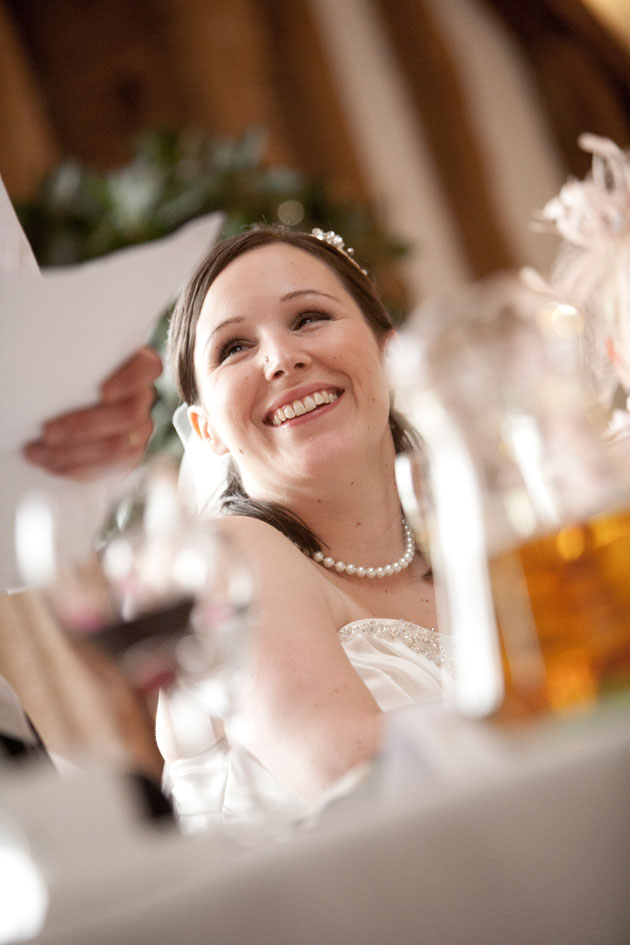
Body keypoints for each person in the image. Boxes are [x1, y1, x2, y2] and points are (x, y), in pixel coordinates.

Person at [163, 226, 452, 818]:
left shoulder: (467, 541)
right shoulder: (230, 559)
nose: (281, 358)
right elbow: (364, 790)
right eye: (234, 348)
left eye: (309, 318)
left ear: (389, 354)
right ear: (206, 430)